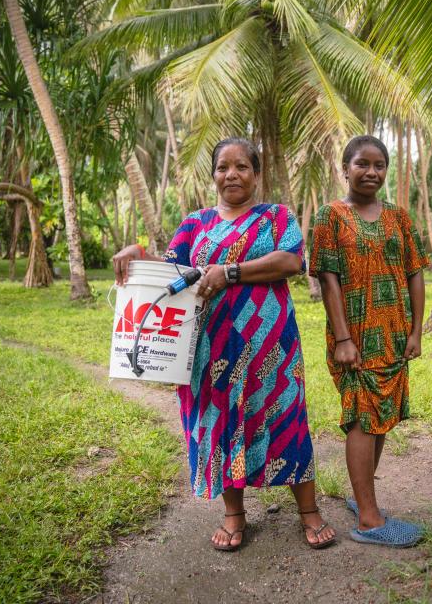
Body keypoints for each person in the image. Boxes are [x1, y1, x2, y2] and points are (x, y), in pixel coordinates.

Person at [112, 137, 335, 552]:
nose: (231, 174)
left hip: (271, 346)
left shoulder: (275, 217)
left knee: (286, 418)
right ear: (213, 175)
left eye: (241, 167)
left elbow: (291, 262)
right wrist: (136, 251)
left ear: (256, 173)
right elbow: (171, 270)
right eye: (222, 167)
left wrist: (229, 272)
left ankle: (309, 511)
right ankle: (234, 514)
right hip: (208, 345)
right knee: (221, 422)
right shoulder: (195, 223)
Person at [308, 135, 428, 548]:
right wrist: (343, 337)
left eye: (379, 165)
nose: (371, 172)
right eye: (362, 164)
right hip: (355, 336)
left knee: (380, 418)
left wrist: (415, 330)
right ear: (345, 169)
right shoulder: (330, 216)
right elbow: (328, 278)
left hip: (393, 334)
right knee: (362, 415)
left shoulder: (399, 217)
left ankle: (363, 501)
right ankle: (371, 521)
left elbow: (414, 272)